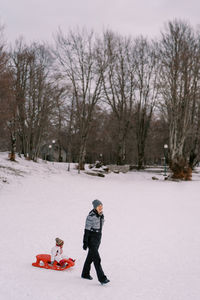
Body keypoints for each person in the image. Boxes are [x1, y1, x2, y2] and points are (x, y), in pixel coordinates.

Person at [81, 199, 110, 284]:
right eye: (99, 206)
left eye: (101, 206)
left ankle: (85, 273)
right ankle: (102, 278)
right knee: (97, 259)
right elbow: (86, 230)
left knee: (90, 257)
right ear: (95, 207)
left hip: (98, 238)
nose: (101, 207)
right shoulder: (91, 216)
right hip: (92, 238)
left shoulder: (101, 215)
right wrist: (85, 242)